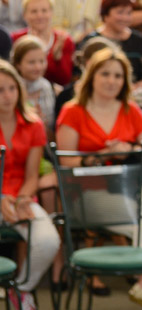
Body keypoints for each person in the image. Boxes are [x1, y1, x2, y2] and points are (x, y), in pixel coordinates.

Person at [56, 47, 142, 308]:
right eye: (105, 74)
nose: (112, 81)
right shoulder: (73, 111)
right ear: (92, 76)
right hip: (88, 194)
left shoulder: (131, 110)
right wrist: (100, 156)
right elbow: (66, 162)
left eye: (118, 75)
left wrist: (128, 149)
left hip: (128, 190)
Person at [0, 60, 60, 309]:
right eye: (0, 90)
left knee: (48, 241)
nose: (7, 96)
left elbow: (32, 175)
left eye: (12, 88)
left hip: (21, 196)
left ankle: (21, 289)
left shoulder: (34, 124)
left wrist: (23, 199)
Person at [80, 0, 142, 84]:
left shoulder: (138, 40)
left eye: (129, 13)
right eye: (120, 12)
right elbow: (82, 73)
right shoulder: (91, 40)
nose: (125, 18)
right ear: (106, 14)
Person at [12, 0, 75, 86]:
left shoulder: (64, 40)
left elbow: (65, 80)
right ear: (24, 15)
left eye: (44, 10)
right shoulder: (16, 39)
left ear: (52, 12)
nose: (39, 15)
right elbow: (13, 75)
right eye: (34, 11)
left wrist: (57, 59)